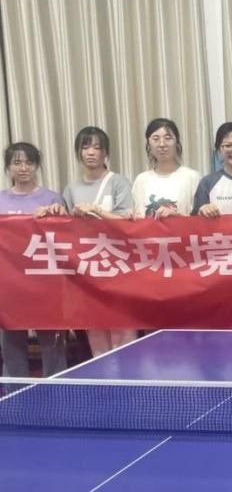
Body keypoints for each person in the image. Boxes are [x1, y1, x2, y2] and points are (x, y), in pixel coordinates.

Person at [42, 127, 137, 356]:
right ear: (78, 152)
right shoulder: (71, 188)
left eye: (97, 147)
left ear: (106, 153)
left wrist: (97, 211)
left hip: (117, 268)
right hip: (87, 272)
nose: (91, 152)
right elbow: (65, 229)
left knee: (123, 333)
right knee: (96, 333)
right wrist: (57, 212)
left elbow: (128, 223)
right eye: (85, 147)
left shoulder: (118, 182)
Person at [0, 142, 67, 376]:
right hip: (9, 286)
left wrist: (56, 216)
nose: (23, 168)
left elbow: (65, 239)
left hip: (44, 284)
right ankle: (16, 392)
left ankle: (57, 390)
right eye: (17, 163)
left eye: (29, 162)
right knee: (11, 346)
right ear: (8, 167)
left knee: (52, 344)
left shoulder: (52, 199)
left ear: (37, 166)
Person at [132, 118, 201, 218]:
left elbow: (199, 220)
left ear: (177, 142)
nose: (162, 144)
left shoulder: (192, 177)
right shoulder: (141, 180)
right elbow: (139, 217)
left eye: (168, 138)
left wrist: (177, 215)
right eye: (155, 139)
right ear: (148, 144)